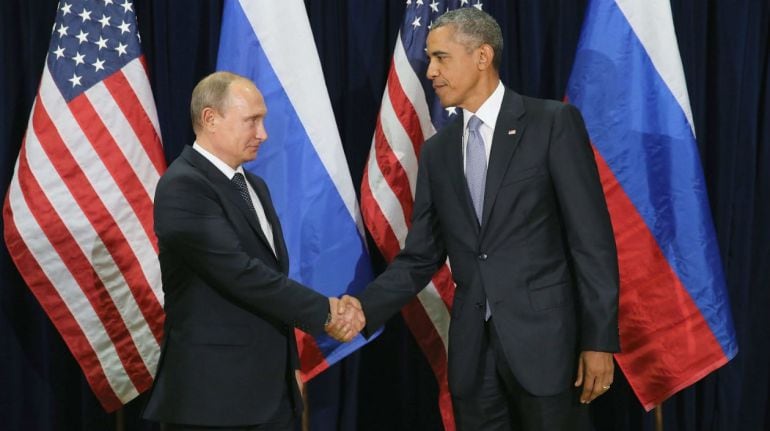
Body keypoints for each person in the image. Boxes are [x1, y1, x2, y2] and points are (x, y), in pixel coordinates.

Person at [339, 7, 619, 431]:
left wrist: (598, 340)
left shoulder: (550, 124)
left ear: (482, 56)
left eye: (441, 57)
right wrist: (362, 307)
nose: (430, 70)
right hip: (473, 357)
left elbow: (591, 240)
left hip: (546, 348)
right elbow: (420, 256)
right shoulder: (438, 151)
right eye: (429, 59)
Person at [143, 71, 363, 430]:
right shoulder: (183, 187)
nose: (264, 134)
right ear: (210, 119)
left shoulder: (254, 185)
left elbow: (271, 277)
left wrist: (289, 366)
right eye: (252, 121)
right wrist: (326, 312)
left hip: (271, 395)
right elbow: (241, 274)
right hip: (213, 400)